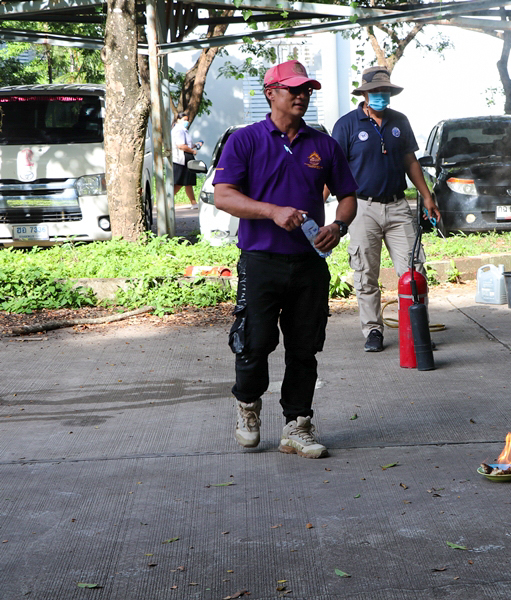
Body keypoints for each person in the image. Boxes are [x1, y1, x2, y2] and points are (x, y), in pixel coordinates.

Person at [214, 60, 357, 458]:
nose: (301, 96)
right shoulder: (245, 141)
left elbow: (347, 196)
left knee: (304, 347)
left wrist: (339, 227)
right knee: (254, 343)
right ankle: (247, 405)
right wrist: (272, 211)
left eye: (306, 90)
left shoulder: (323, 144)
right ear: (270, 93)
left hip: (310, 263)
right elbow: (223, 195)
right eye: (293, 89)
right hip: (261, 260)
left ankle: (298, 425)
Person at [331, 66, 441, 352]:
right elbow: (334, 170)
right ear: (365, 94)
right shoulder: (346, 125)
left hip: (397, 206)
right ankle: (373, 331)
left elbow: (410, 161)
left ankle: (415, 328)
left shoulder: (399, 122)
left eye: (385, 91)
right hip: (361, 208)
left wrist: (427, 197)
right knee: (365, 272)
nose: (381, 96)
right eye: (376, 92)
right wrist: (320, 207)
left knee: (414, 270)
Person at [172, 111, 203, 209]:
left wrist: (195, 145)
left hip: (186, 156)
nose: (186, 122)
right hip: (182, 158)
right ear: (178, 119)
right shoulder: (179, 130)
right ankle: (167, 201)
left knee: (188, 182)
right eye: (184, 120)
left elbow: (187, 144)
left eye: (187, 120)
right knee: (180, 182)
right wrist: (193, 151)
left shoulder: (183, 130)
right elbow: (181, 145)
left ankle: (194, 203)